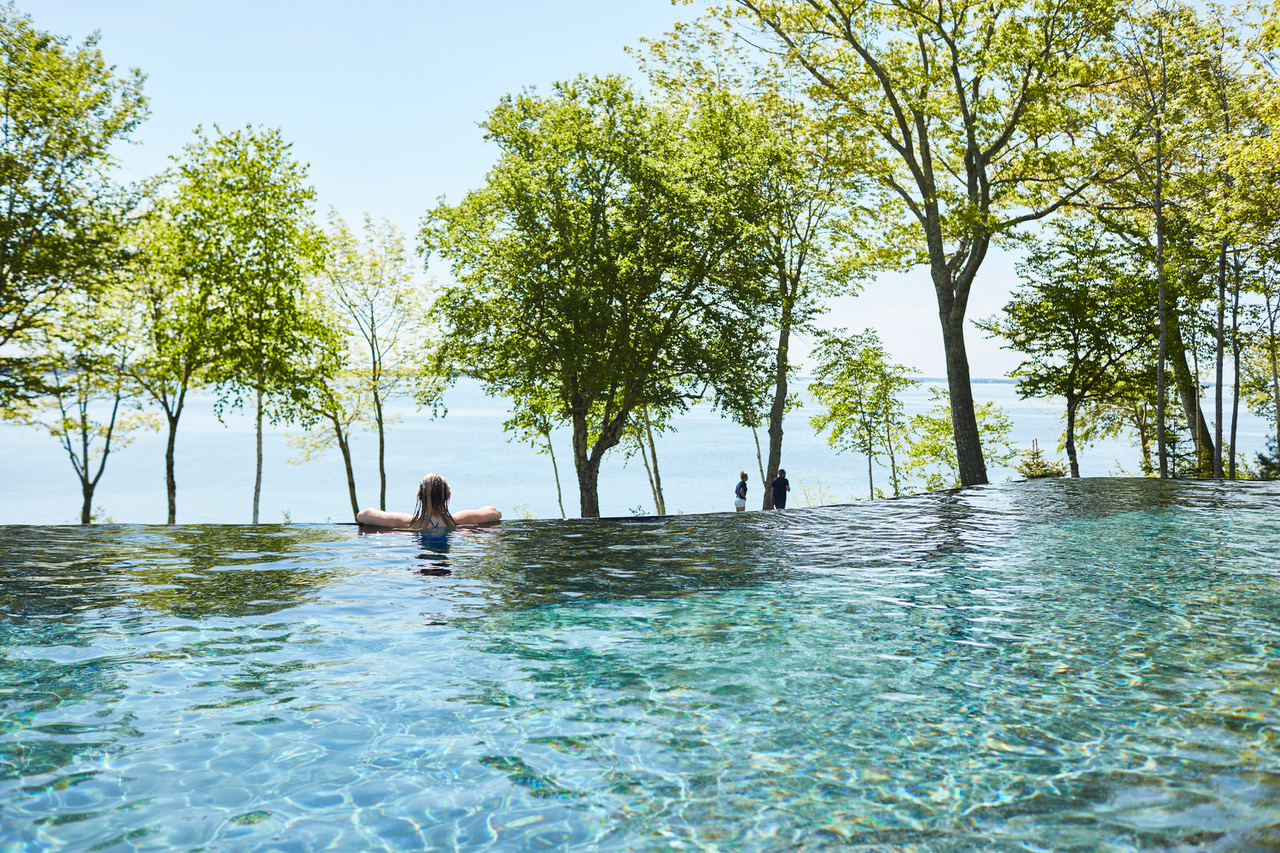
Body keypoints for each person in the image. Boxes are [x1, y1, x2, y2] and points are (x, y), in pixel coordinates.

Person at [356, 473, 501, 530]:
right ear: (447, 496)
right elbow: (495, 512)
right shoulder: (459, 520)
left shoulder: (408, 522)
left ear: (419, 497)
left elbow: (363, 515)